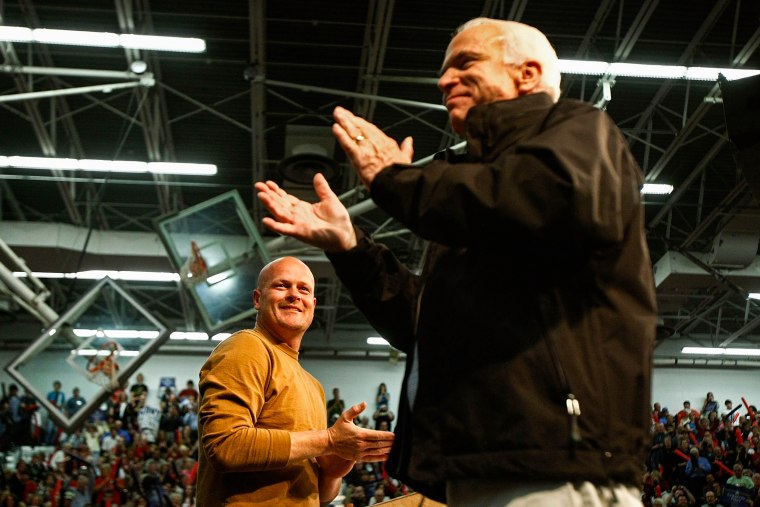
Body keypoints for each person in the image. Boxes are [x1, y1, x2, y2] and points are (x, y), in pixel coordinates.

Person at [255, 17, 656, 506]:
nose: (444, 81)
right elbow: (426, 323)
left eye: (466, 63)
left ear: (527, 74)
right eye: (443, 70)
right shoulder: (475, 187)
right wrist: (350, 247)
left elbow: (536, 198)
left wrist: (394, 181)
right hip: (482, 465)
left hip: (556, 463)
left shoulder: (581, 131)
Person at [196, 257, 394, 506]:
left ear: (312, 304)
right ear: (257, 299)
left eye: (303, 289)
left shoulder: (314, 386)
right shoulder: (247, 347)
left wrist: (332, 471)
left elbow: (319, 496)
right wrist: (329, 441)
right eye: (282, 286)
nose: (294, 295)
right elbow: (225, 446)